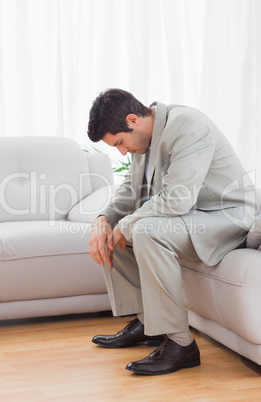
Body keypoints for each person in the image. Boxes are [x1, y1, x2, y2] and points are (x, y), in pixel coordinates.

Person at [87, 88, 257, 376]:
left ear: (133, 120)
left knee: (144, 231)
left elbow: (177, 199)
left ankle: (181, 344)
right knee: (118, 231)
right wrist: (102, 219)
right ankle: (148, 322)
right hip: (192, 216)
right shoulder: (144, 139)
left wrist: (125, 226)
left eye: (120, 143)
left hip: (227, 218)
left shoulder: (187, 125)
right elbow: (131, 188)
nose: (122, 152)